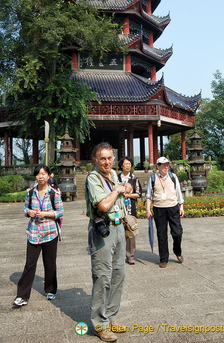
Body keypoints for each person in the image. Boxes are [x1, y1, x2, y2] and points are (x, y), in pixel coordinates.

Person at [85, 142, 133, 342]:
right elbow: (104, 205)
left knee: (118, 275)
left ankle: (111, 317)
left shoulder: (114, 175)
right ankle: (100, 324)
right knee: (103, 277)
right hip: (102, 231)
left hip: (119, 228)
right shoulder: (93, 178)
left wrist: (125, 187)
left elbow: (124, 192)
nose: (107, 162)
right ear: (95, 160)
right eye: (102, 158)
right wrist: (118, 190)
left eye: (110, 158)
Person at [13, 164, 64, 308]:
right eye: (38, 174)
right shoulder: (30, 192)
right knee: (30, 264)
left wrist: (47, 214)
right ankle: (22, 296)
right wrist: (28, 212)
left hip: (49, 232)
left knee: (50, 263)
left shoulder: (54, 193)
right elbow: (25, 208)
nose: (40, 176)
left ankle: (50, 289)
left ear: (48, 176)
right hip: (34, 232)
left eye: (43, 174)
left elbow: (60, 211)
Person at [146, 156, 184, 268]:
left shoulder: (173, 177)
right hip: (159, 208)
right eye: (163, 165)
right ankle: (163, 258)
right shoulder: (152, 178)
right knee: (161, 234)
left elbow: (178, 192)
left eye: (167, 165)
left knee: (177, 232)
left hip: (172, 207)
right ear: (158, 166)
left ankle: (177, 251)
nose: (166, 167)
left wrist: (181, 206)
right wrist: (148, 209)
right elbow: (148, 195)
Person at [117, 156, 142, 265]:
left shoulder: (134, 178)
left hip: (130, 209)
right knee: (118, 232)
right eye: (125, 164)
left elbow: (139, 194)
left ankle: (130, 255)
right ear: (121, 165)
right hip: (118, 209)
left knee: (130, 232)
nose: (127, 166)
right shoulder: (116, 178)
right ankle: (118, 255)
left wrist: (128, 195)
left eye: (129, 164)